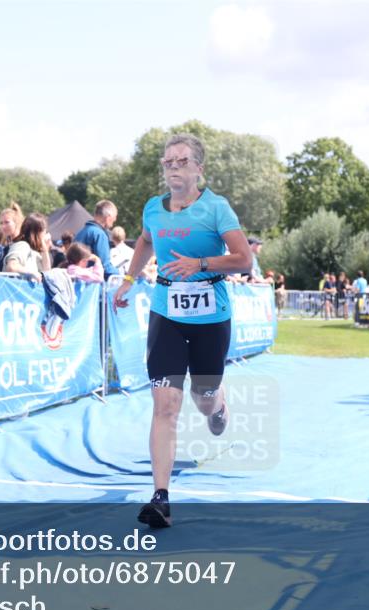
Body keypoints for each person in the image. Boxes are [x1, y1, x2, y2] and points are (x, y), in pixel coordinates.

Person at [112, 133, 252, 528]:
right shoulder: (153, 209)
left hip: (211, 318)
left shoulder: (216, 208)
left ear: (198, 168)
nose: (173, 167)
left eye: (182, 161)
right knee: (166, 405)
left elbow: (244, 260)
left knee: (202, 397)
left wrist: (201, 264)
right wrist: (129, 279)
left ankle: (217, 404)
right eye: (168, 161)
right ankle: (160, 497)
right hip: (166, 315)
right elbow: (144, 240)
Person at [75, 200, 118, 279]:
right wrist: (121, 274)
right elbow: (105, 266)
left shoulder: (81, 232)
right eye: (114, 217)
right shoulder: (99, 234)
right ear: (108, 217)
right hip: (92, 283)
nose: (115, 220)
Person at [4, 212, 52, 280]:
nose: (45, 234)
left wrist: (43, 247)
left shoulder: (35, 251)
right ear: (39, 232)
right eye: (44, 231)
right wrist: (31, 273)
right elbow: (11, 266)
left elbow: (47, 272)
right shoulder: (22, 245)